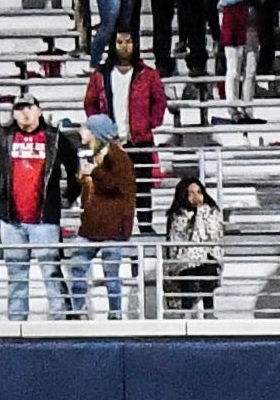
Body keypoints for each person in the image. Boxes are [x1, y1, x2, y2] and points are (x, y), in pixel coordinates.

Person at [0, 90, 82, 322]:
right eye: (19, 109)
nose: (25, 113)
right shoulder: (4, 138)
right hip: (11, 218)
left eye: (29, 108)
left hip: (44, 218)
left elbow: (74, 168)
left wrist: (70, 195)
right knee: (16, 274)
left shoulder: (54, 137)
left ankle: (61, 321)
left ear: (39, 111)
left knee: (51, 271)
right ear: (14, 114)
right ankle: (17, 323)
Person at [84, 32, 168, 228]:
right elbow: (90, 103)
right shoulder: (100, 74)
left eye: (128, 42)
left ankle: (145, 225)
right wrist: (100, 126)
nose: (124, 46)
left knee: (143, 187)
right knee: (110, 185)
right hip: (109, 142)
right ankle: (115, 225)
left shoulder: (148, 74)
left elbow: (159, 100)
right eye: (119, 42)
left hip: (139, 140)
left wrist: (150, 122)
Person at [74, 115, 142, 320]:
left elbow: (120, 187)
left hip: (112, 227)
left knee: (111, 274)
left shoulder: (118, 157)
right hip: (93, 225)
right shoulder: (97, 155)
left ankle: (115, 314)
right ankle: (76, 312)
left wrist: (95, 173)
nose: (81, 133)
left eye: (86, 129)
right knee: (77, 266)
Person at [215, 0, 267, 119]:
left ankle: (247, 108)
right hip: (233, 22)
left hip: (252, 23)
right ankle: (232, 107)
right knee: (234, 70)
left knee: (251, 70)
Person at [161, 172, 224, 316]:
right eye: (191, 193)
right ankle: (186, 313)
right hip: (185, 260)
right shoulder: (177, 216)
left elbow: (211, 234)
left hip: (207, 256)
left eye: (198, 192)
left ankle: (209, 312)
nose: (196, 196)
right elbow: (177, 238)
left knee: (208, 271)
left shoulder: (212, 212)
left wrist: (201, 213)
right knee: (188, 276)